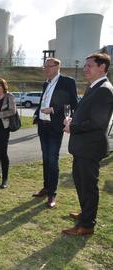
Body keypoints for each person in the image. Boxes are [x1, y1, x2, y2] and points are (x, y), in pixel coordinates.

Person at [63, 53, 113, 236]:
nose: (85, 69)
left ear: (102, 67)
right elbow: (86, 115)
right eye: (84, 66)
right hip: (82, 146)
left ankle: (87, 225)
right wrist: (72, 121)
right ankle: (85, 214)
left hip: (90, 147)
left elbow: (97, 123)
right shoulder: (94, 87)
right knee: (81, 182)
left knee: (88, 186)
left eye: (89, 65)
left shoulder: (104, 90)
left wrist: (73, 127)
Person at [32, 58, 78, 208]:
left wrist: (53, 109)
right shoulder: (46, 83)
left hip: (55, 126)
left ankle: (52, 194)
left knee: (53, 159)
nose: (45, 69)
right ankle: (46, 187)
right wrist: (36, 114)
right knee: (46, 158)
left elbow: (73, 103)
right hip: (43, 126)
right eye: (44, 66)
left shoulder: (67, 82)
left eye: (48, 66)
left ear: (58, 66)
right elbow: (43, 101)